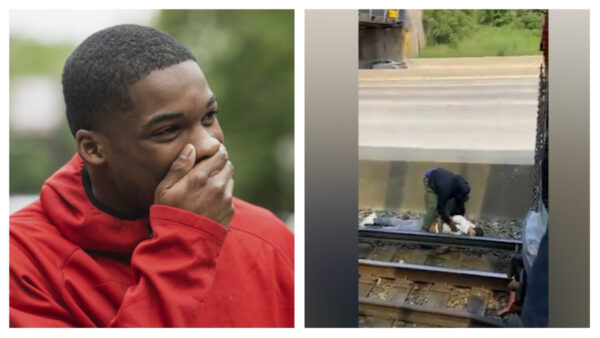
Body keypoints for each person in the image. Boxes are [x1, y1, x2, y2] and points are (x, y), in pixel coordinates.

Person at [9, 24, 294, 328]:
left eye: (209, 117)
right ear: (93, 148)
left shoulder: (270, 237)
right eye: (168, 130)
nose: (209, 145)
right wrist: (185, 243)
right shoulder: (19, 260)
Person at [421, 168, 471, 232]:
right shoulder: (446, 190)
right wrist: (449, 222)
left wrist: (461, 216)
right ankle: (423, 230)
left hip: (442, 180)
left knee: (450, 205)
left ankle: (437, 223)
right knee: (433, 207)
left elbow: (460, 202)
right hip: (430, 179)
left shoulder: (464, 185)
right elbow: (440, 208)